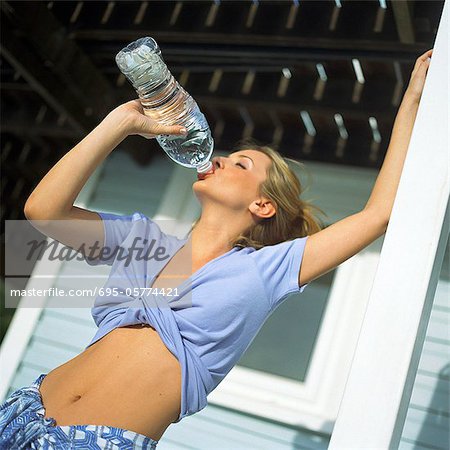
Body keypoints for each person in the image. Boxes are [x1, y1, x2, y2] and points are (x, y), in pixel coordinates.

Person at [0, 49, 432, 449]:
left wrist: (412, 99)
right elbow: (43, 210)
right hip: (24, 411)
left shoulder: (267, 270)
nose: (220, 159)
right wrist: (120, 123)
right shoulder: (143, 241)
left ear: (262, 204)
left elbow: (378, 213)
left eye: (241, 163)